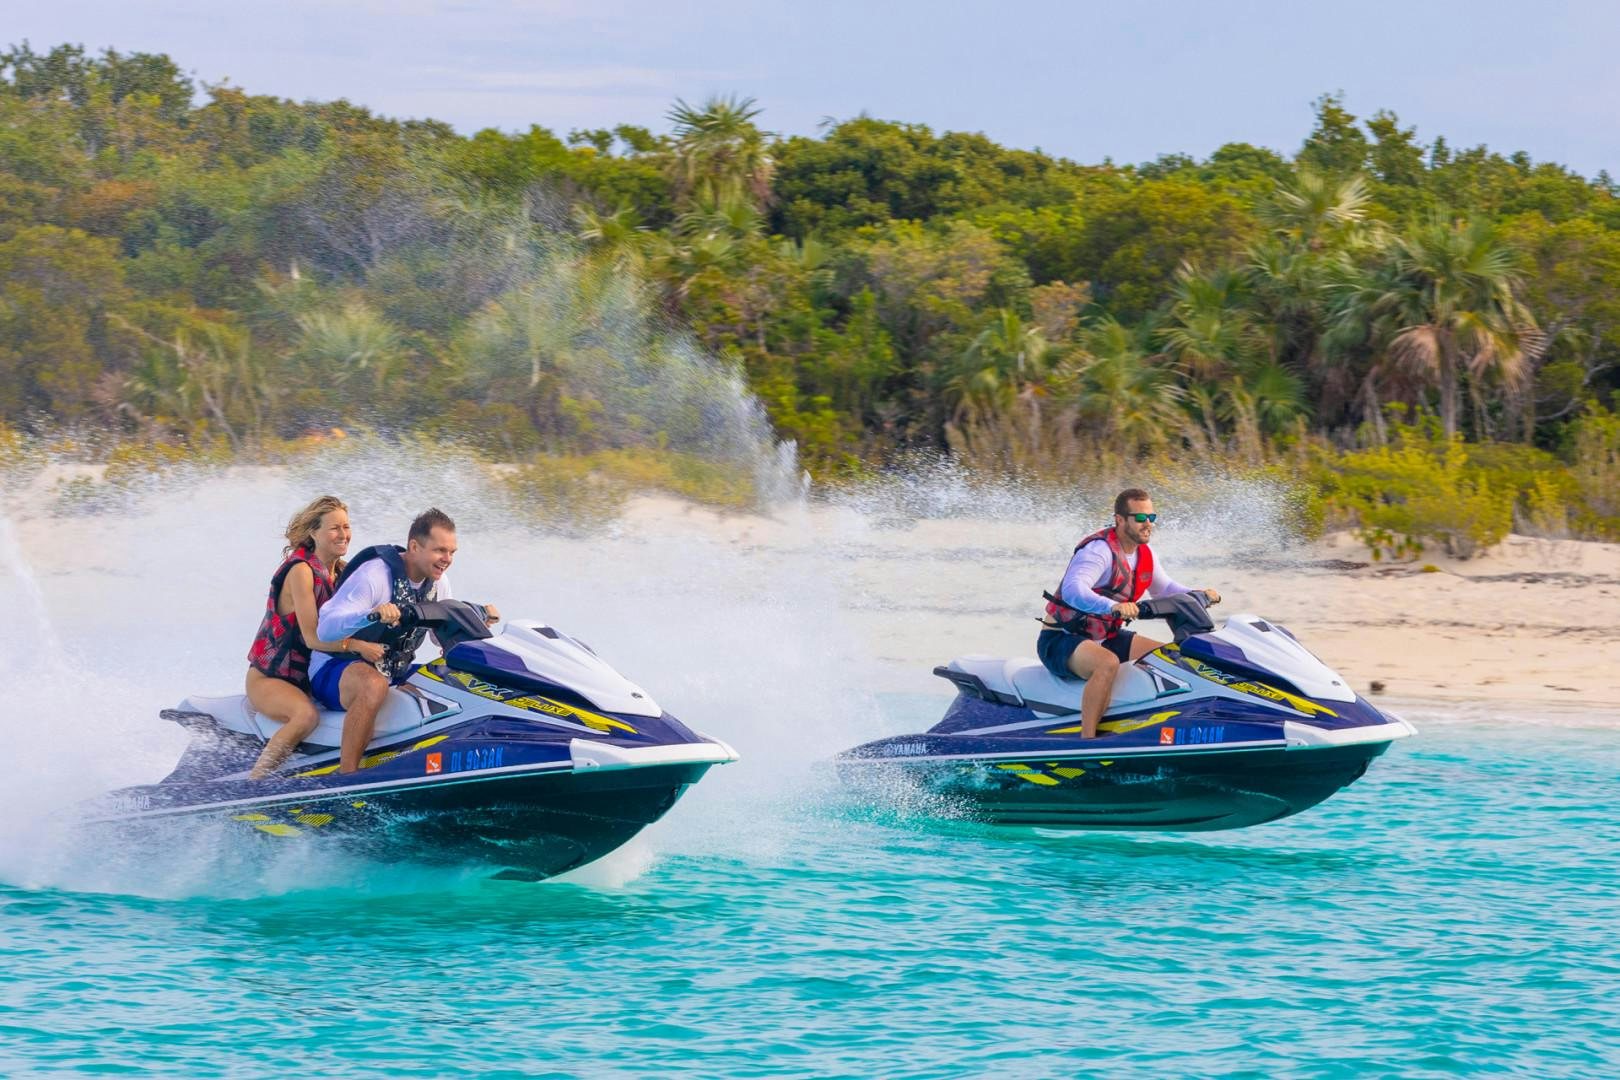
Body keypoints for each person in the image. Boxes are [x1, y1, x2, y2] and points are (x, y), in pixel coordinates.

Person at [311, 508, 500, 773]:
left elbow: (439, 638)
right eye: (439, 551)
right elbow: (326, 629)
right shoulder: (374, 575)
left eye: (452, 552)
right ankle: (347, 776)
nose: (447, 559)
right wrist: (370, 616)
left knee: (454, 677)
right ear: (414, 546)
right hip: (333, 668)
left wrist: (476, 623)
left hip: (393, 671)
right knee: (373, 685)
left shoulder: (438, 583)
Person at [1037, 488, 1221, 739]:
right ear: (1120, 519)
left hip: (1107, 637)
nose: (1148, 525)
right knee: (1106, 663)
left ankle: (1159, 725)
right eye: (1141, 518)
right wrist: (1111, 606)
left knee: (1170, 657)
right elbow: (1073, 590)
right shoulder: (1098, 551)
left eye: (1152, 518)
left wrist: (1198, 594)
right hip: (1062, 639)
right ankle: (1087, 741)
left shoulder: (1145, 554)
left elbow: (1165, 589)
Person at [244, 496, 385, 779]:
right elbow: (312, 638)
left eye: (346, 526)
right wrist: (357, 645)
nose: (343, 534)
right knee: (305, 717)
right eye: (334, 528)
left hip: (309, 678)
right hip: (270, 679)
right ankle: (254, 785)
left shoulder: (344, 573)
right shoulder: (301, 571)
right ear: (313, 532)